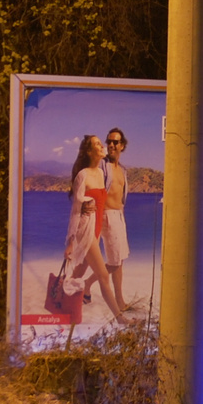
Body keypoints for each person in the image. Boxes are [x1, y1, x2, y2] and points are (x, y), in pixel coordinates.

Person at [63, 134, 125, 323]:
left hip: (97, 228)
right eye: (98, 144)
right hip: (85, 230)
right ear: (90, 151)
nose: (102, 146)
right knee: (103, 276)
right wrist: (70, 243)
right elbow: (75, 211)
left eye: (100, 143)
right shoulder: (83, 175)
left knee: (79, 272)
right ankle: (120, 319)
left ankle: (64, 304)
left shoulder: (100, 173)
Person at [100, 127, 134, 311]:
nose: (111, 145)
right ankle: (87, 287)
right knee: (114, 261)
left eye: (115, 142)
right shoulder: (101, 165)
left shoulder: (123, 170)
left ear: (122, 146)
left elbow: (121, 195)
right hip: (106, 215)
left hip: (119, 215)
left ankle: (119, 300)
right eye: (109, 141)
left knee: (119, 260)